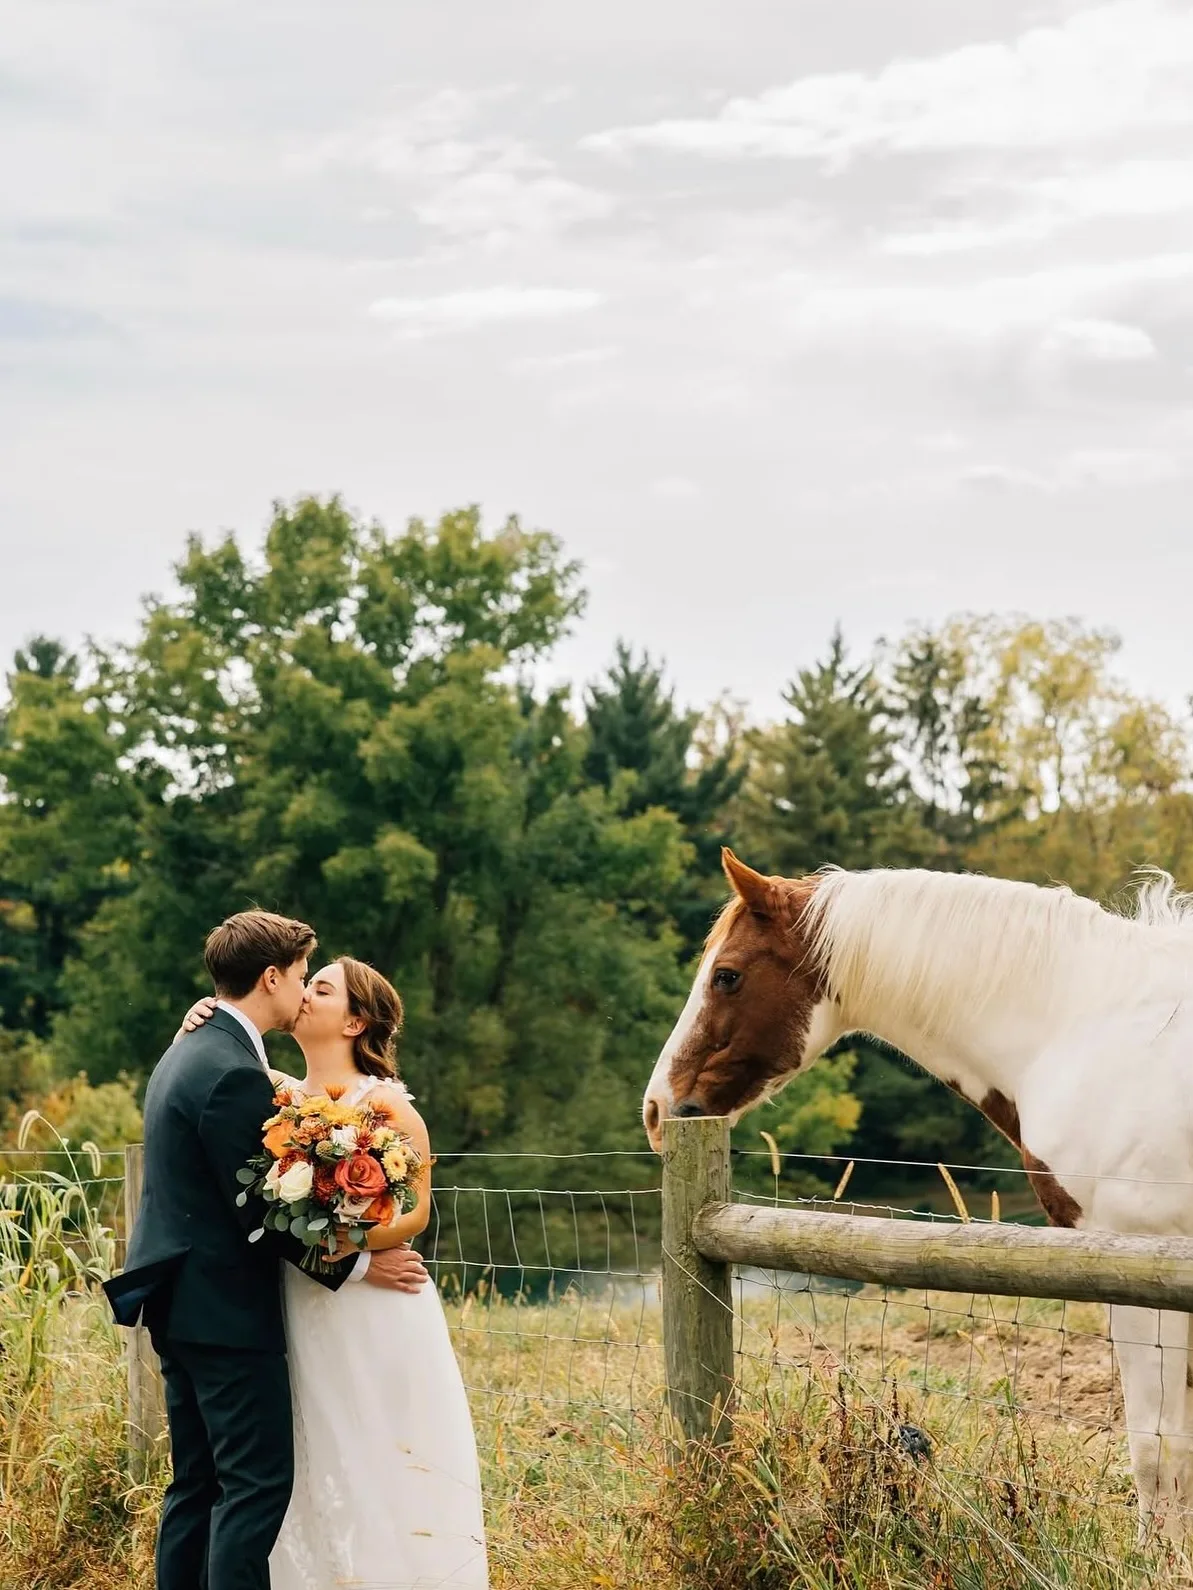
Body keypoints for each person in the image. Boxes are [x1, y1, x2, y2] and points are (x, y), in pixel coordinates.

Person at [103, 911, 434, 1590]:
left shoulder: (192, 1051)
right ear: (272, 976)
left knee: (196, 1486)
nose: (305, 990)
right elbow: (263, 1212)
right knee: (253, 1490)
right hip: (223, 1315)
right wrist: (365, 1263)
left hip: (183, 1305)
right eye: (304, 976)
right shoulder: (231, 1071)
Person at [175, 948, 489, 1590]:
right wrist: (202, 1012)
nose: (305, 993)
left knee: (381, 1443)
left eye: (322, 987)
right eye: (305, 983)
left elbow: (418, 1211)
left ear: (354, 1022)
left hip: (375, 1306)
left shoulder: (389, 1106)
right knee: (314, 1447)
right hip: (302, 1299)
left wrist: (352, 1245)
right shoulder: (278, 1096)